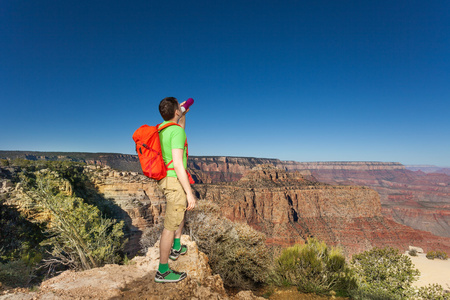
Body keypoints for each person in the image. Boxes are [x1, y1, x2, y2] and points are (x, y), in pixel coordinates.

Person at [154, 97, 196, 283]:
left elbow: (180, 129)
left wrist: (183, 115)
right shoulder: (176, 131)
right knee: (169, 227)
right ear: (175, 111)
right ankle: (162, 271)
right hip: (174, 179)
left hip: (166, 179)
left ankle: (177, 247)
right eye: (179, 107)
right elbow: (178, 164)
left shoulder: (163, 129)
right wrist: (189, 193)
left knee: (179, 214)